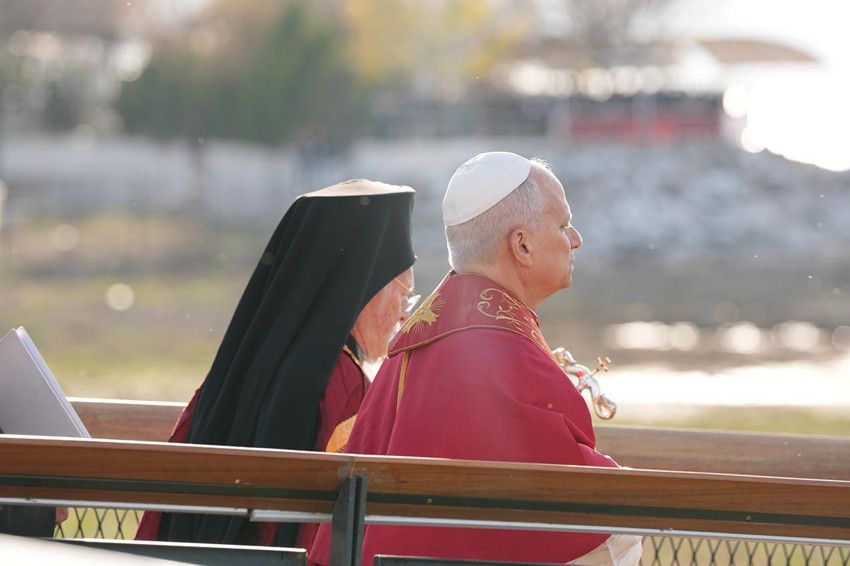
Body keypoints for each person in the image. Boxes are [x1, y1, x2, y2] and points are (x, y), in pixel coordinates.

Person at [310, 152, 641, 565]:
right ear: (521, 245)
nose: (576, 239)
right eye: (563, 225)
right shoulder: (503, 353)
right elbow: (583, 500)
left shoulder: (410, 350)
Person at [135, 179, 417, 550]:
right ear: (359, 287)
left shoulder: (247, 360)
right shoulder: (341, 384)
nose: (404, 314)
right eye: (404, 293)